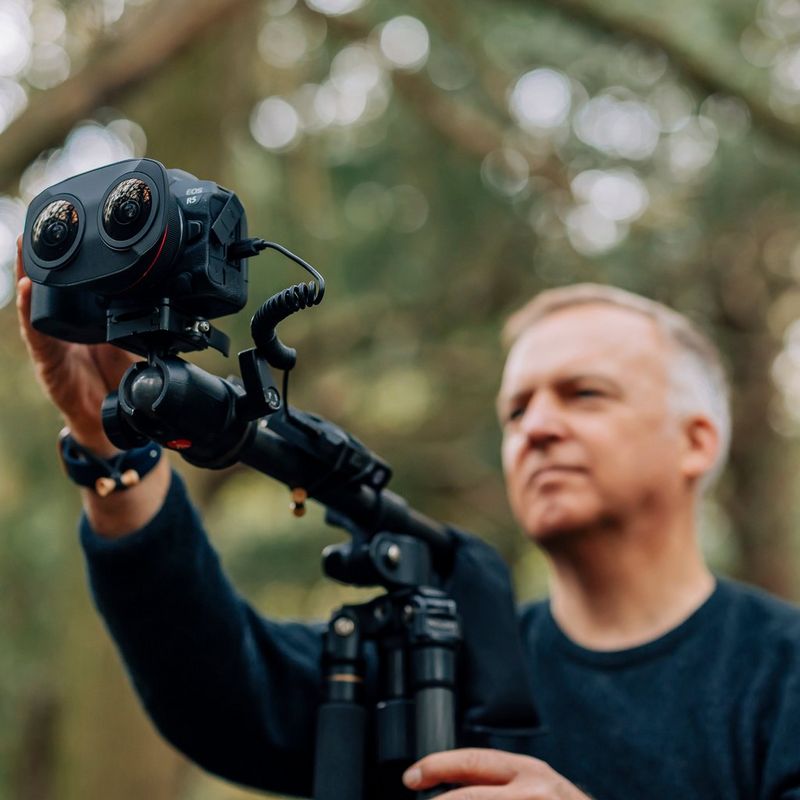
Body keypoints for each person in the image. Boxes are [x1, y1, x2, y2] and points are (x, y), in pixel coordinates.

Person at [15, 238, 800, 799]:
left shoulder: (781, 672)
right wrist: (112, 447)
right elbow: (221, 691)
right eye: (517, 409)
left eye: (584, 393)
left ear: (697, 442)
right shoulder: (435, 653)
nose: (536, 427)